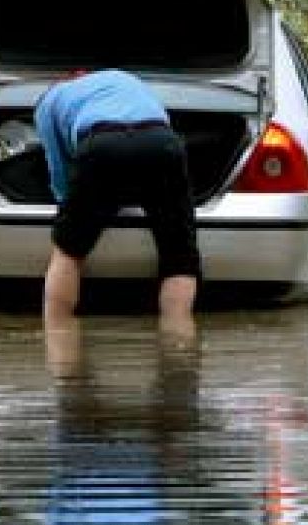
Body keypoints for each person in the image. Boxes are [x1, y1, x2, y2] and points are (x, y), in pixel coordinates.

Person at [35, 69, 198, 331]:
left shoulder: (48, 101)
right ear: (83, 75)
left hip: (102, 147)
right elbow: (156, 124)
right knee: (178, 255)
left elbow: (59, 171)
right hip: (163, 143)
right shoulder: (125, 78)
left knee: (68, 252)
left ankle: (59, 343)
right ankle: (178, 348)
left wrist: (73, 214)